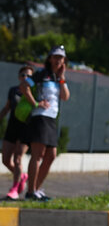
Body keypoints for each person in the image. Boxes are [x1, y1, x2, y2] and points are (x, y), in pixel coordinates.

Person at [20, 45, 70, 201]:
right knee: (38, 155)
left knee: (51, 155)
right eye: (55, 57)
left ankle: (36, 189)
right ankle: (30, 192)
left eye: (61, 58)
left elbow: (65, 96)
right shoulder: (41, 74)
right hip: (40, 117)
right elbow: (24, 86)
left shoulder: (59, 77)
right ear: (49, 59)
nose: (58, 60)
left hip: (51, 118)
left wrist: (62, 79)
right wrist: (35, 103)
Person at [0, 66, 34, 200]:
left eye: (28, 76)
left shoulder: (34, 92)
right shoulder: (13, 90)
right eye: (23, 75)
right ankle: (22, 176)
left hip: (25, 128)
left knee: (18, 158)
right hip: (12, 127)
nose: (25, 78)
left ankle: (14, 188)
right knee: (6, 160)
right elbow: (7, 107)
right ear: (19, 77)